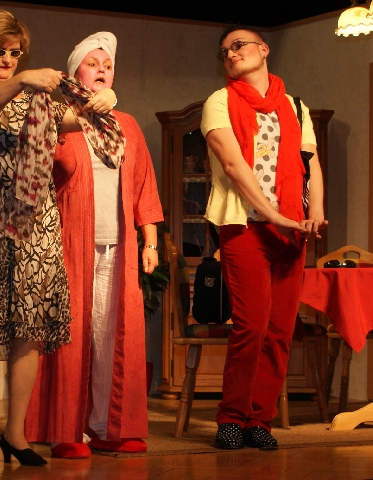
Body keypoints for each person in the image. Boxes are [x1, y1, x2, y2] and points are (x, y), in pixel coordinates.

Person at [0, 10, 115, 469]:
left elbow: (86, 120)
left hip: (37, 227)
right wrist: (24, 79)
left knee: (30, 331)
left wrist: (104, 97)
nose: (7, 58)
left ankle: (15, 434)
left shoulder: (38, 104)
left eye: (15, 52)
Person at [25, 32, 164, 458]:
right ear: (74, 74)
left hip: (118, 249)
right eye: (93, 63)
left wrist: (150, 242)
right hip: (69, 245)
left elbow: (143, 184)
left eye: (108, 65)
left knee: (112, 335)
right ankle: (65, 431)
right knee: (71, 336)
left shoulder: (128, 125)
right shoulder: (59, 121)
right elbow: (33, 175)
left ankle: (107, 426)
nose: (102, 70)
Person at [200, 25, 327, 450]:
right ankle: (231, 417)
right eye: (224, 51)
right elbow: (234, 166)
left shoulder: (295, 106)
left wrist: (315, 212)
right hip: (246, 227)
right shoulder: (219, 102)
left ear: (264, 49)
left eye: (238, 45)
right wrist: (275, 216)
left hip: (292, 230)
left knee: (279, 330)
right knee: (252, 326)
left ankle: (260, 419)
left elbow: (310, 164)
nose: (231, 54)